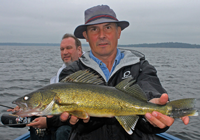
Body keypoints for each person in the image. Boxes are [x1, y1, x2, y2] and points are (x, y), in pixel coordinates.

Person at [54, 5, 190, 140]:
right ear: (86, 36)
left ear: (118, 32)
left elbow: (151, 88)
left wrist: (155, 107)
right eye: (94, 29)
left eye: (108, 27)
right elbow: (70, 124)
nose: (101, 35)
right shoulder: (71, 73)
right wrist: (81, 120)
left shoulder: (141, 67)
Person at [8, 33, 83, 140]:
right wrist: (26, 108)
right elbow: (50, 102)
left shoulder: (86, 70)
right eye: (62, 49)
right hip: (61, 116)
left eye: (68, 48)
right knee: (35, 118)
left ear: (79, 50)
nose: (65, 52)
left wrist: (48, 122)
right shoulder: (61, 73)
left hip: (79, 123)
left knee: (62, 132)